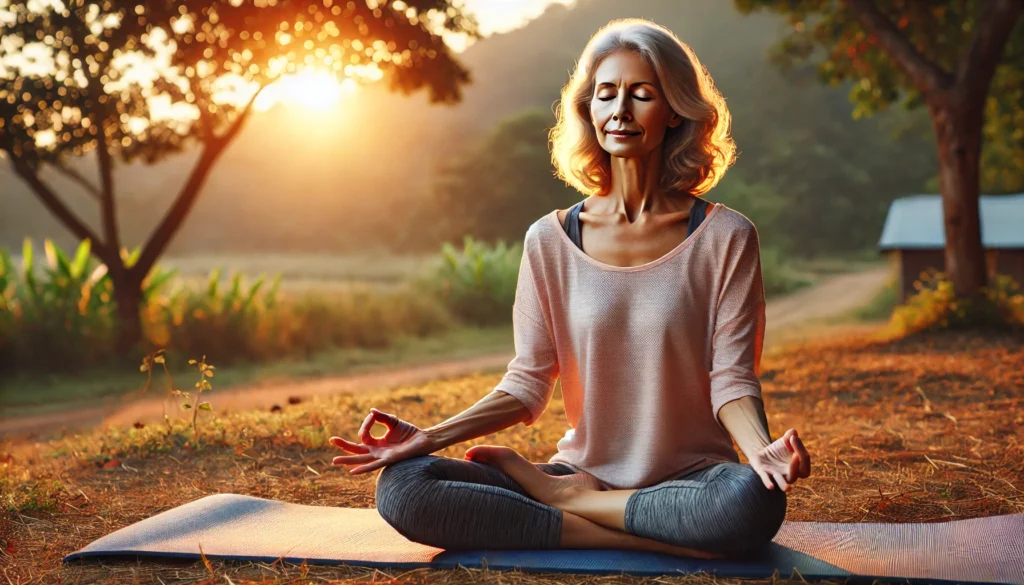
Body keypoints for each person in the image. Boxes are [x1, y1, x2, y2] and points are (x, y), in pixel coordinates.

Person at [329, 17, 811, 560]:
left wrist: (760, 453)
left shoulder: (726, 236)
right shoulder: (550, 239)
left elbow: (731, 379)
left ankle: (561, 503)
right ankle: (604, 512)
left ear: (675, 110)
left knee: (752, 503)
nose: (620, 111)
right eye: (605, 95)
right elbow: (527, 382)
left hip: (693, 483)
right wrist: (430, 437)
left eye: (642, 95)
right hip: (584, 470)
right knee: (404, 486)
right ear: (589, 111)